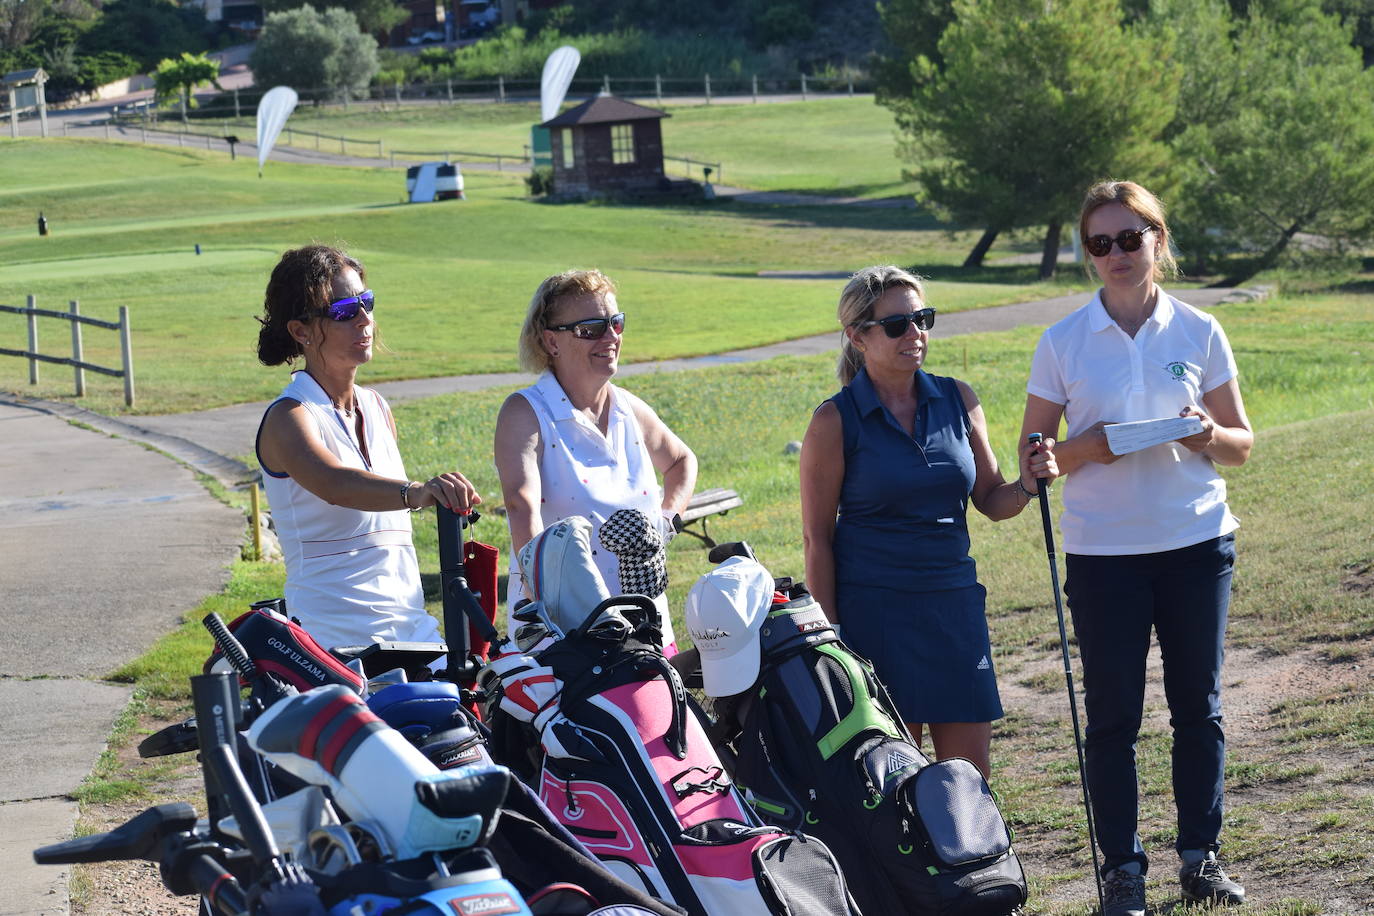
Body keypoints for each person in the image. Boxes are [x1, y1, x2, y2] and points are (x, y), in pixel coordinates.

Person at [1021, 180, 1253, 915]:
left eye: (1130, 238)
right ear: (1087, 253)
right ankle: (1123, 870)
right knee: (1113, 716)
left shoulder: (1199, 329)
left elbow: (1242, 445)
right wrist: (1075, 451)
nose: (1116, 254)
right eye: (1100, 243)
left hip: (1194, 541)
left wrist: (1205, 435)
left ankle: (1200, 857)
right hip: (1103, 554)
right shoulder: (1062, 341)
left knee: (1199, 706)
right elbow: (1037, 453)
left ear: (1158, 239)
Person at [799, 265, 1057, 778]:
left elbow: (991, 497)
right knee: (895, 781)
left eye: (923, 319)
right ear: (857, 335)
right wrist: (828, 640)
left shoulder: (959, 398)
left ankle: (973, 862)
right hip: (875, 617)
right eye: (897, 325)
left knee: (969, 778)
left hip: (953, 607)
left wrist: (1029, 484)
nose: (915, 334)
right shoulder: (834, 421)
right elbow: (817, 540)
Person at [255, 245, 480, 654]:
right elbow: (334, 483)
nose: (365, 320)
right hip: (334, 647)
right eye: (344, 310)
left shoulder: (377, 407)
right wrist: (414, 493)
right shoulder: (289, 417)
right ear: (300, 331)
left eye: (367, 302)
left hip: (414, 635)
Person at [494, 269, 697, 649]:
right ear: (551, 342)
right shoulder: (524, 413)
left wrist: (667, 520)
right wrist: (550, 599)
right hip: (570, 638)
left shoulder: (628, 407)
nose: (611, 338)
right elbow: (521, 508)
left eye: (615, 323)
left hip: (650, 625)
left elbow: (682, 461)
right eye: (591, 328)